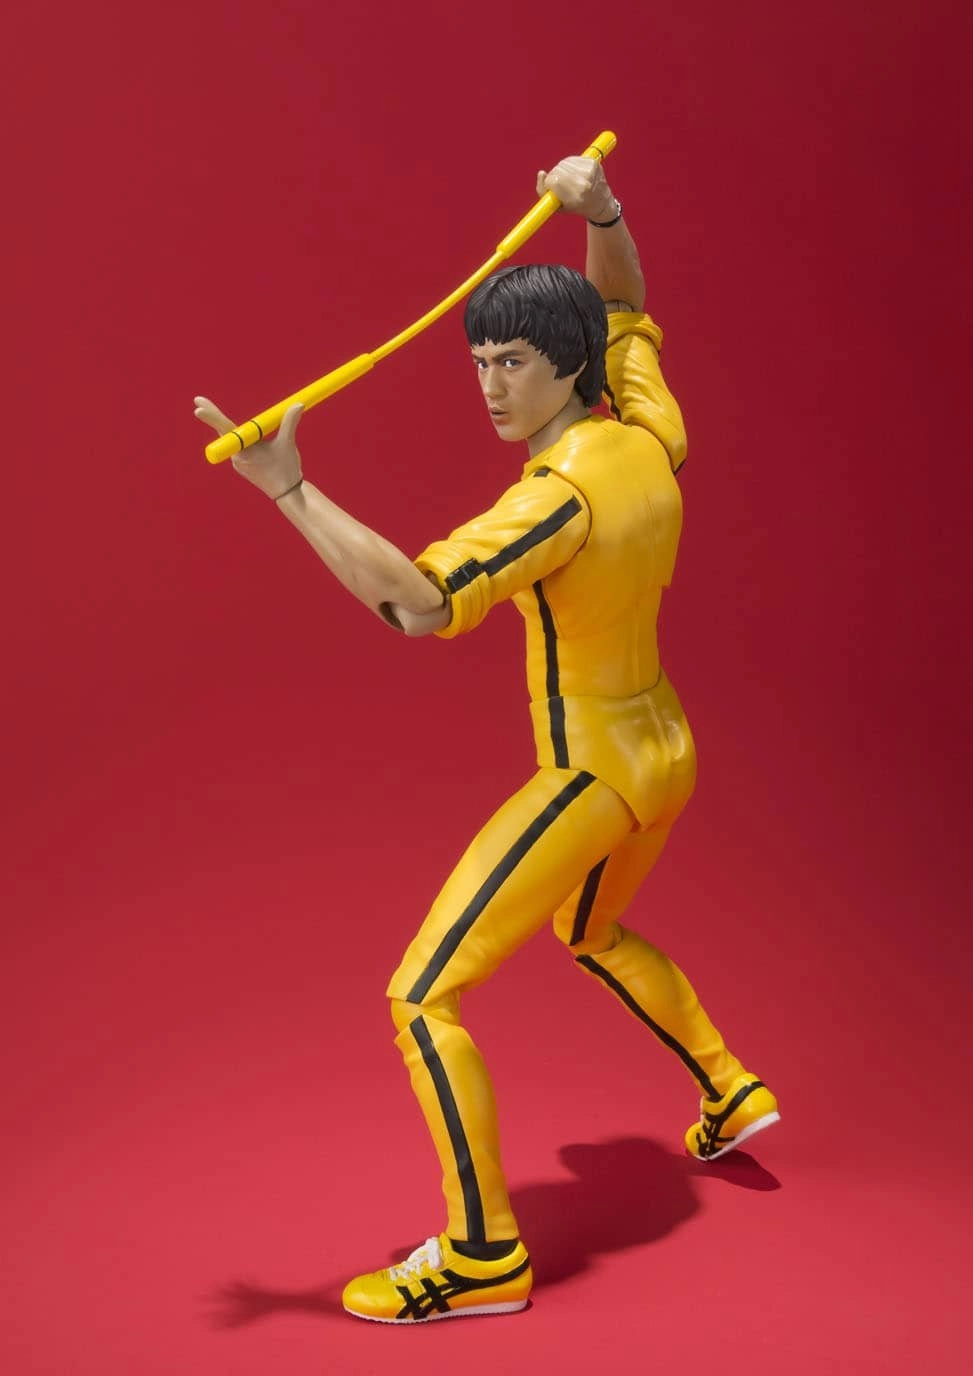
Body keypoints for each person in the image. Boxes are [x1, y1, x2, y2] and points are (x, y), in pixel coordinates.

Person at [194, 152, 779, 1325]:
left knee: (422, 996)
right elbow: (625, 304)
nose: (491, 386)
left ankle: (479, 1253)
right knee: (589, 928)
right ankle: (727, 1085)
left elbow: (417, 605)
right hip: (667, 750)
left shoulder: (552, 497)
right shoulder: (646, 432)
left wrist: (289, 490)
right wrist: (602, 210)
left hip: (593, 772)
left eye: (511, 362)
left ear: (564, 363)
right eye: (479, 362)